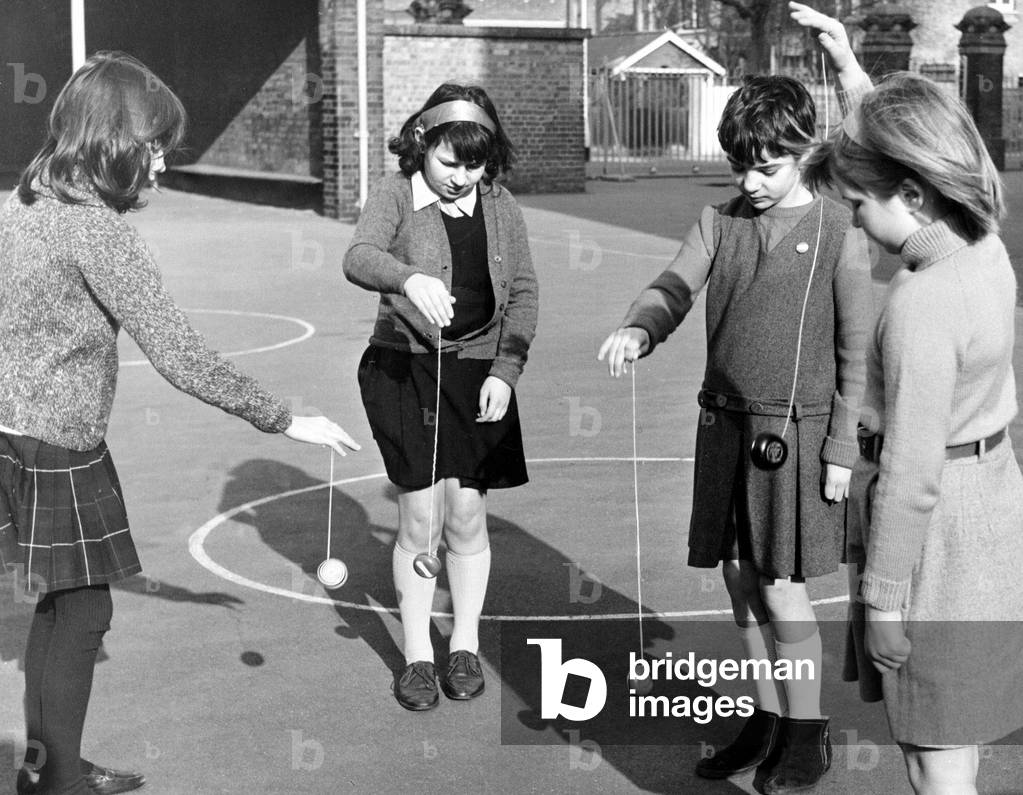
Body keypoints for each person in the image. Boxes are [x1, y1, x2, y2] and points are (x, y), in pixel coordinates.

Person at [0, 52, 359, 795]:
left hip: (7, 435)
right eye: (153, 146)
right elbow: (179, 353)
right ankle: (56, 779)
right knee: (86, 611)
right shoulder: (98, 231)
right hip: (56, 445)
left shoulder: (23, 201)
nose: (161, 164)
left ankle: (48, 765)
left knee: (63, 602)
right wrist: (285, 415)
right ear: (112, 143)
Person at [599, 74, 871, 793]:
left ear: (804, 152)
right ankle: (761, 714)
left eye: (766, 166)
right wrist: (639, 325)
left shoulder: (840, 231)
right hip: (723, 424)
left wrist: (842, 447)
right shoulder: (718, 222)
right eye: (740, 165)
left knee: (781, 588)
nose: (749, 181)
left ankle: (805, 730)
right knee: (736, 581)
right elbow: (674, 285)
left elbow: (853, 356)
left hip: (792, 434)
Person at [790, 4, 1023, 793]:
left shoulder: (919, 304)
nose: (851, 217)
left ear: (915, 195)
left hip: (937, 541)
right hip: (990, 511)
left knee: (933, 760)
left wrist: (883, 603)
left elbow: (911, 473)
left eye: (857, 202)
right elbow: (938, 149)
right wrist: (855, 75)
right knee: (958, 736)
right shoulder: (984, 244)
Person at [343, 84, 538, 711]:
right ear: (423, 142)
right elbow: (358, 255)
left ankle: (463, 643)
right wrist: (409, 277)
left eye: (475, 165)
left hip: (478, 373)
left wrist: (505, 372)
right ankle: (418, 657)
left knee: (466, 517)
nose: (461, 177)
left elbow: (526, 291)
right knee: (420, 519)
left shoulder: (501, 205)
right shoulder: (397, 194)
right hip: (405, 370)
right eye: (450, 161)